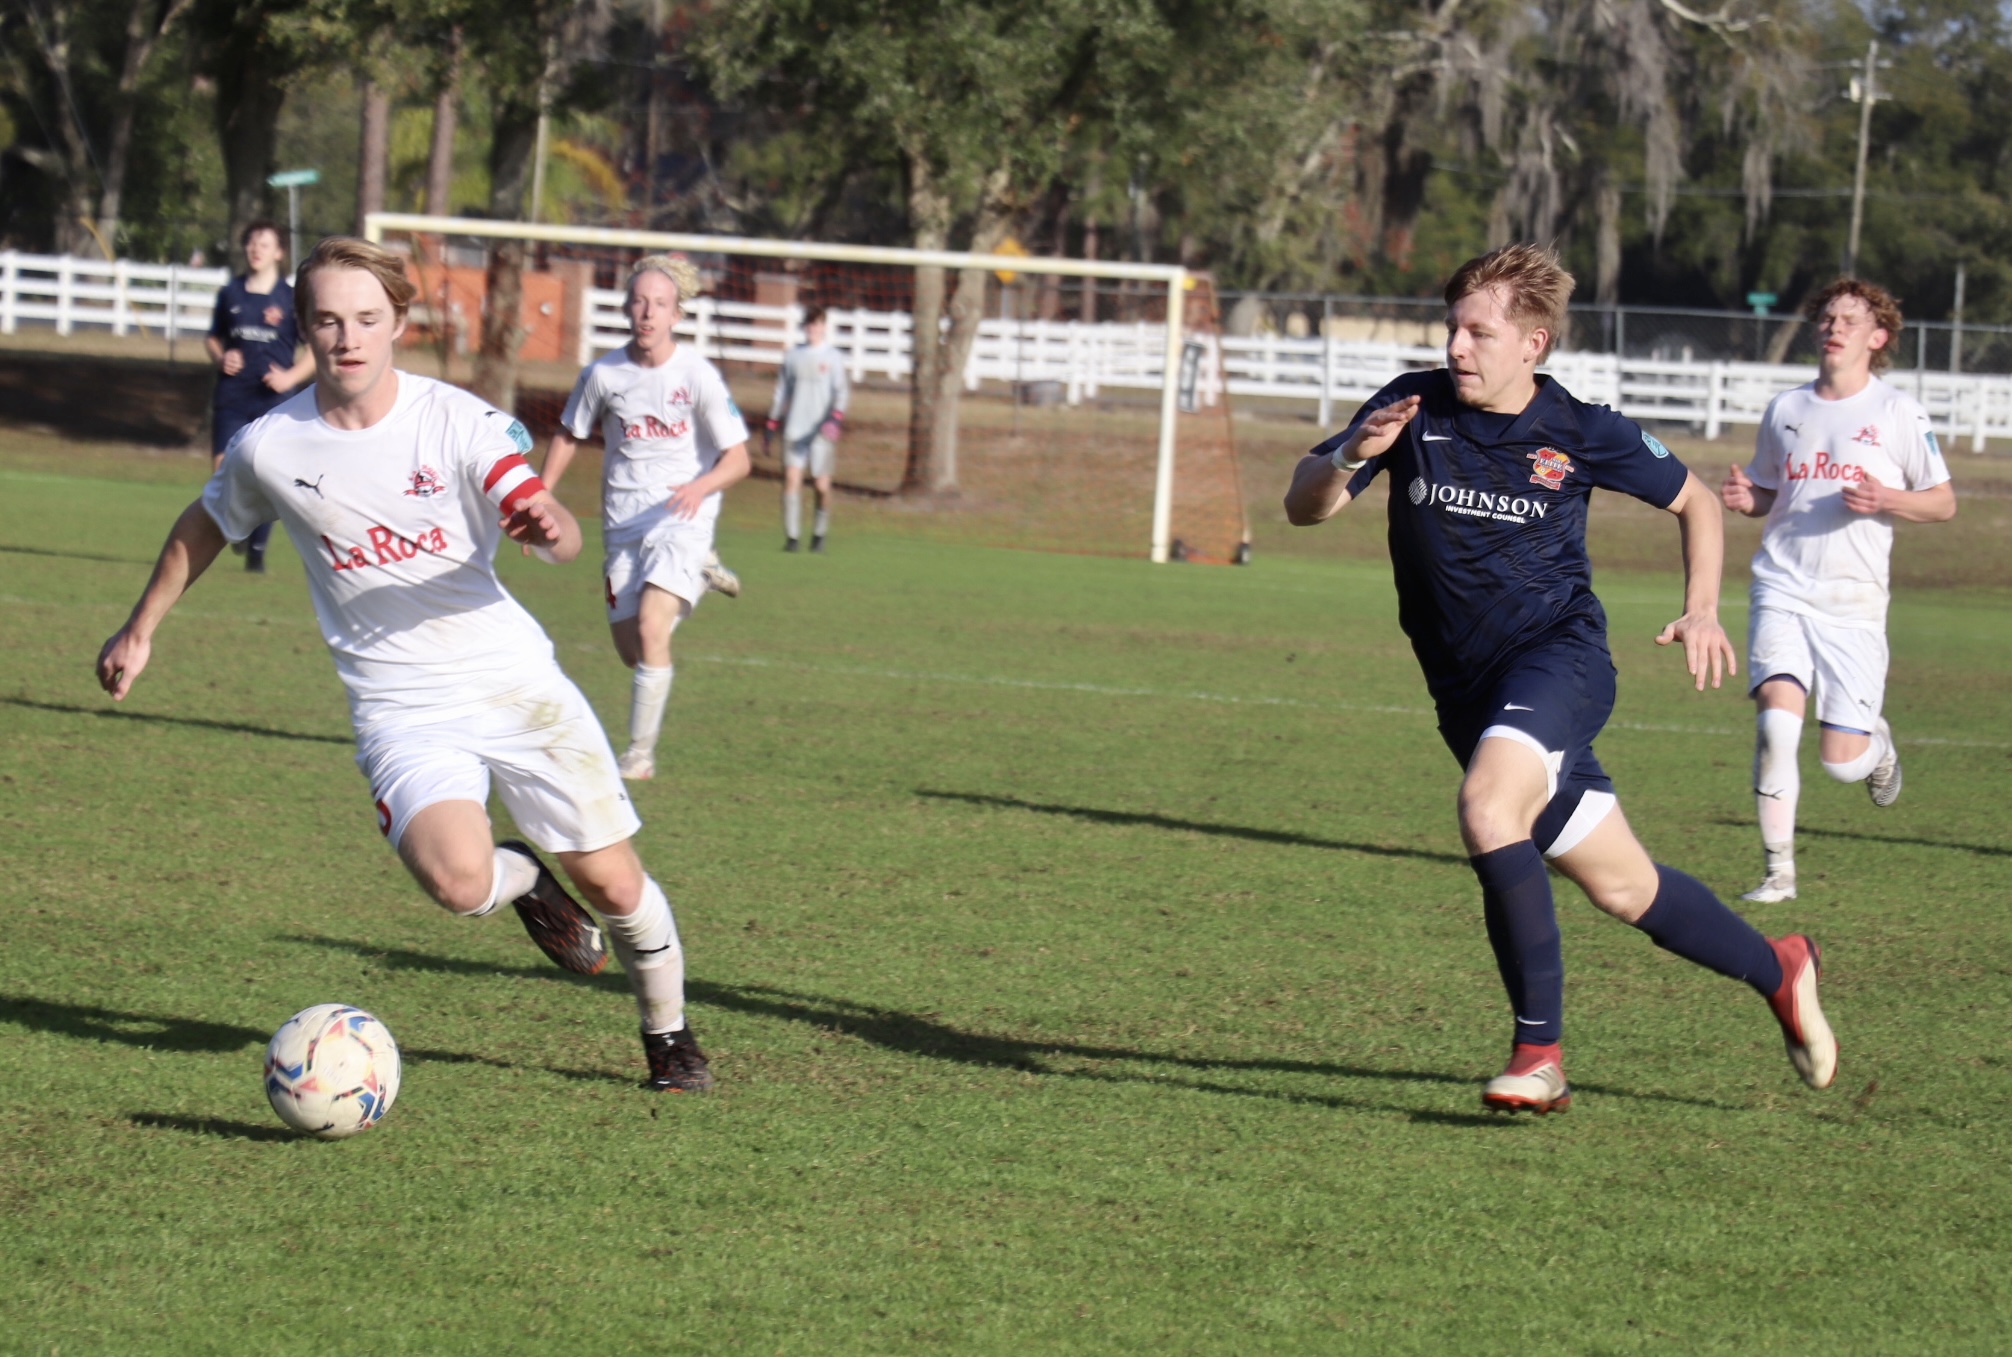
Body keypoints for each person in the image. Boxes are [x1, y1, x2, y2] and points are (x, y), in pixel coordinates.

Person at [96, 237, 714, 1094]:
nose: (347, 337)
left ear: (398, 324)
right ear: (306, 327)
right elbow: (203, 525)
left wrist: (547, 527)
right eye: (328, 319)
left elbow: (551, 524)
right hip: (397, 705)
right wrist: (140, 627)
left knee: (612, 879)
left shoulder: (455, 420)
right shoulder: (271, 445)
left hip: (513, 683)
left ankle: (668, 1032)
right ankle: (522, 877)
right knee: (460, 883)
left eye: (366, 319)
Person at [1283, 243, 1835, 1113]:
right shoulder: (1409, 405)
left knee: (1487, 808)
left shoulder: (1579, 429)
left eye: (1480, 332)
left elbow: (1694, 500)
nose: (1459, 347)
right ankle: (1780, 966)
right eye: (1453, 328)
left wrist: (1701, 607)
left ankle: (1538, 1052)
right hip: (1465, 694)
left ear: (1533, 342)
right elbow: (1302, 505)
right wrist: (1352, 452)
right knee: (1623, 885)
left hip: (1557, 659)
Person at [1721, 280, 1956, 904]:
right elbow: (1772, 493)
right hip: (1782, 585)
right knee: (1775, 722)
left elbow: (1944, 502)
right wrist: (1751, 501)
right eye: (1828, 316)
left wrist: (1888, 499)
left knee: (1841, 762)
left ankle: (1874, 744)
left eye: (1850, 319)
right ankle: (1779, 873)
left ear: (1877, 337)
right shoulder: (1787, 408)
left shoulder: (1897, 414)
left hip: (1853, 602)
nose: (1835, 326)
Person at [542, 255, 752, 782]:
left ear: (676, 313)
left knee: (654, 627)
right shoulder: (604, 374)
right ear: (626, 307)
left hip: (682, 521)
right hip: (622, 528)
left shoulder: (697, 376)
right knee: (631, 650)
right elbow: (570, 433)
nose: (647, 312)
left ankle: (638, 755)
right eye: (638, 301)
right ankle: (701, 573)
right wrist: (539, 493)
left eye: (659, 303)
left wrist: (700, 487)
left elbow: (739, 459)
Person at [204, 220, 315, 573]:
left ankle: (257, 548)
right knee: (223, 470)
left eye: (264, 244)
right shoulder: (231, 293)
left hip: (273, 401)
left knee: (265, 471)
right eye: (252, 243)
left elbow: (313, 350)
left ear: (279, 253)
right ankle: (237, 528)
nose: (256, 249)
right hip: (233, 395)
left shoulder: (290, 299)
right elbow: (213, 338)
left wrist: (290, 377)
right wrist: (222, 356)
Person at [765, 305, 850, 552]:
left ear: (824, 327)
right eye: (810, 325)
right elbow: (782, 392)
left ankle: (819, 533)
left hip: (821, 432)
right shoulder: (793, 356)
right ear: (805, 327)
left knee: (822, 486)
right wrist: (772, 422)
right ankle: (792, 538)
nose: (813, 329)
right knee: (792, 480)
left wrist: (835, 417)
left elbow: (841, 392)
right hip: (794, 429)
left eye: (818, 324)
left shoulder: (832, 357)